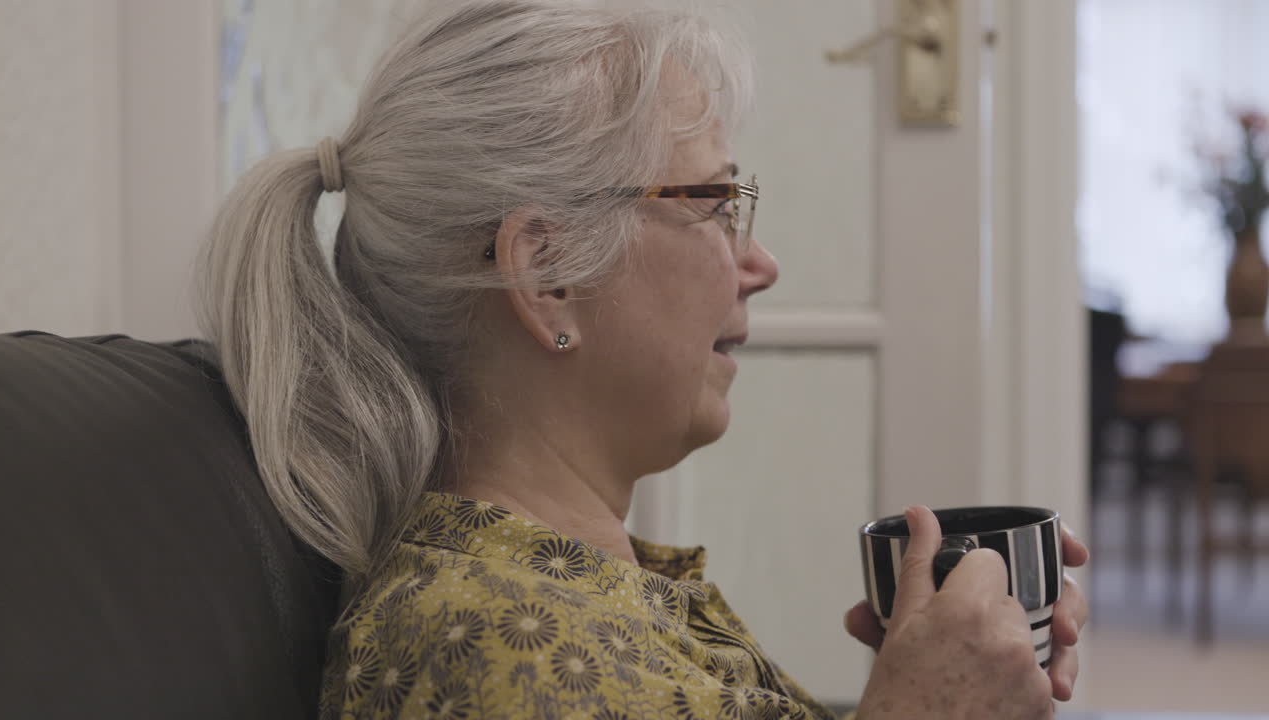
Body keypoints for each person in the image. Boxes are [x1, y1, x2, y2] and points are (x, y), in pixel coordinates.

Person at [198, 1, 1089, 718]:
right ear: (546, 273)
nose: (759, 263)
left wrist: (937, 676)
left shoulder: (577, 598)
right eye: (712, 203)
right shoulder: (501, 647)